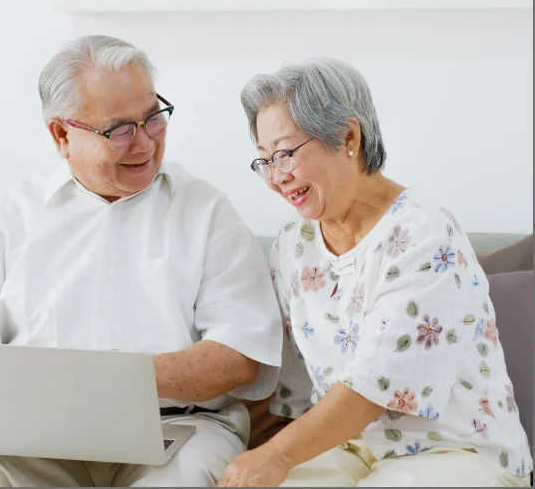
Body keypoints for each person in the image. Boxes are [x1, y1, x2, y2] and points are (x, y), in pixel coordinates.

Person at [0, 35, 284, 487]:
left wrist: (119, 380)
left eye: (153, 118)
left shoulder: (206, 212)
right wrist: (32, 396)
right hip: (38, 438)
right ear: (62, 134)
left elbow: (241, 355)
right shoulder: (13, 217)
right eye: (119, 130)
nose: (145, 143)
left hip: (178, 431)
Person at [217, 57, 533, 487]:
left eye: (286, 153)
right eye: (265, 160)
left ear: (349, 136)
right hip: (352, 448)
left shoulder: (424, 233)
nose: (277, 177)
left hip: (457, 450)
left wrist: (274, 455)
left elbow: (374, 386)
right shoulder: (294, 242)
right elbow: (284, 376)